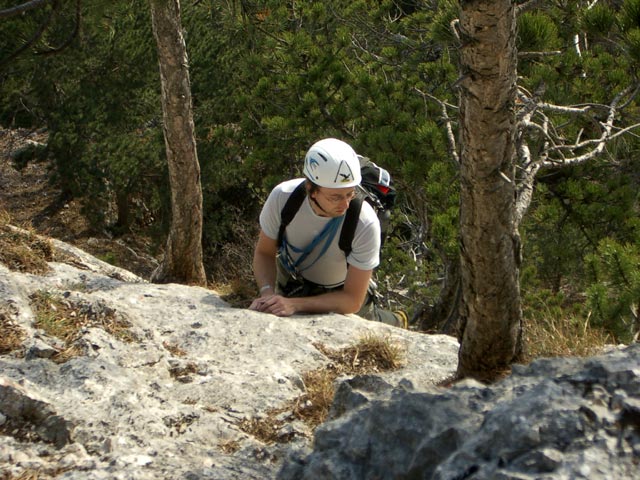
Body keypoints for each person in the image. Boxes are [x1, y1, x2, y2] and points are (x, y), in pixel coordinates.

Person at [249, 137, 407, 328]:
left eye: (350, 194)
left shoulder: (363, 222)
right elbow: (264, 253)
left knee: (377, 325)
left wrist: (295, 305)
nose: (345, 204)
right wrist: (267, 294)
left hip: (340, 294)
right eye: (335, 197)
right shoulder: (283, 198)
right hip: (291, 280)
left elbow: (352, 300)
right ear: (311, 189)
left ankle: (398, 320)